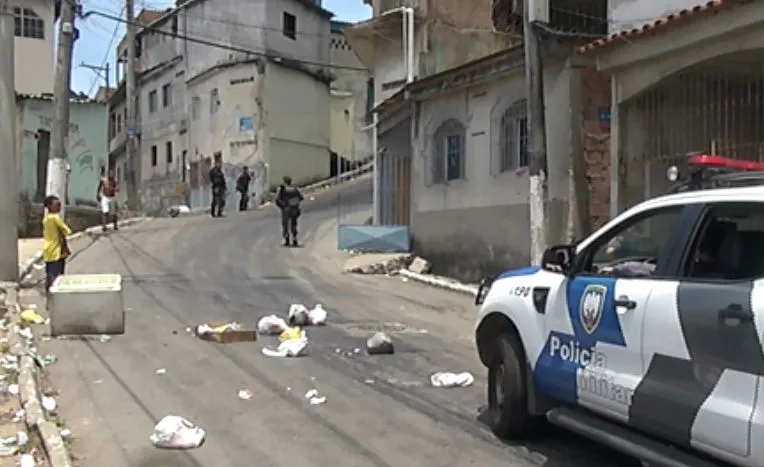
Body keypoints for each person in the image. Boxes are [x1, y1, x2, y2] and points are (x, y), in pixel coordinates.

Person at [42, 195, 72, 292]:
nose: (59, 208)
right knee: (57, 275)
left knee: (50, 273)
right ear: (50, 206)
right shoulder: (55, 218)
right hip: (56, 250)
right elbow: (67, 231)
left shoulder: (46, 219)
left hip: (48, 250)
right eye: (57, 205)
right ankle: (55, 294)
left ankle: (48, 292)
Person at [275, 176, 303, 246]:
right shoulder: (295, 189)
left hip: (286, 209)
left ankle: (287, 239)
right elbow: (301, 198)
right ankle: (294, 239)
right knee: (294, 224)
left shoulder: (282, 189)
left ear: (284, 182)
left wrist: (282, 206)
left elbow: (277, 200)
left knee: (285, 225)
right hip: (294, 208)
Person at [97, 168, 119, 232]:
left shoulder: (115, 181)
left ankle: (115, 225)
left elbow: (117, 189)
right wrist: (98, 194)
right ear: (108, 174)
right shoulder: (104, 180)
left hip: (112, 197)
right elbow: (99, 186)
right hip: (105, 197)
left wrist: (113, 189)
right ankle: (104, 226)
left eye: (112, 174)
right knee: (105, 212)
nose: (111, 175)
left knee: (114, 212)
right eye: (110, 174)